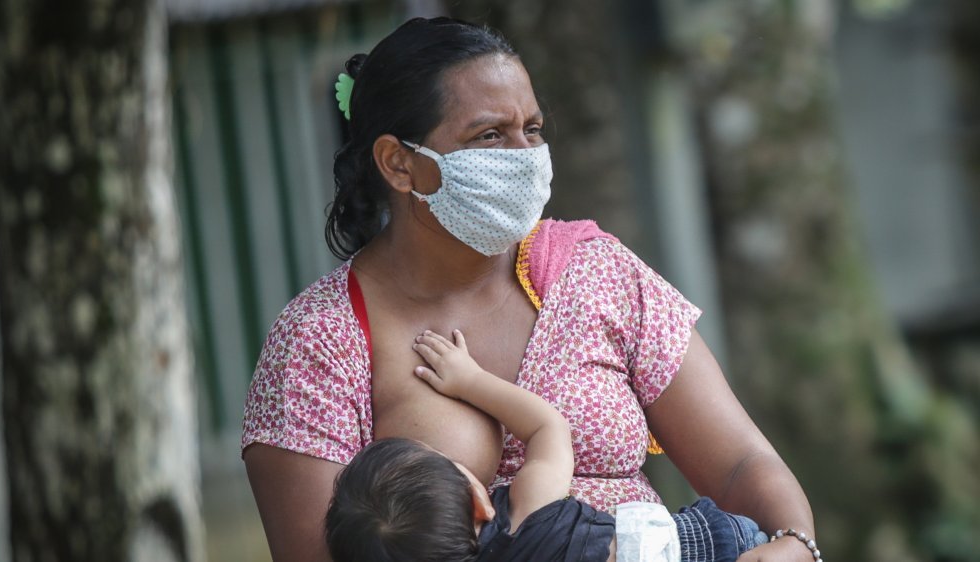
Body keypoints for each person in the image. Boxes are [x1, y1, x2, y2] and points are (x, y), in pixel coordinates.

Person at [242, 16, 819, 562]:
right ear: (399, 164)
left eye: (533, 129)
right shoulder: (319, 341)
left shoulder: (595, 273)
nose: (526, 157)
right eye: (490, 135)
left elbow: (741, 463)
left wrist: (794, 543)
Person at [325, 329, 771, 562]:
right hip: (718, 548)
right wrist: (471, 381)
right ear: (479, 502)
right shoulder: (527, 511)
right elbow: (548, 428)